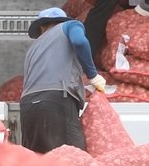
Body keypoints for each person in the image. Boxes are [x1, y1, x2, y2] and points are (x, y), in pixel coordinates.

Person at [20, 8, 107, 153]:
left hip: (27, 106)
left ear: (41, 27)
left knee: (37, 161)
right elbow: (79, 42)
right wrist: (93, 75)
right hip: (57, 100)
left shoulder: (33, 47)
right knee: (71, 159)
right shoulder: (71, 25)